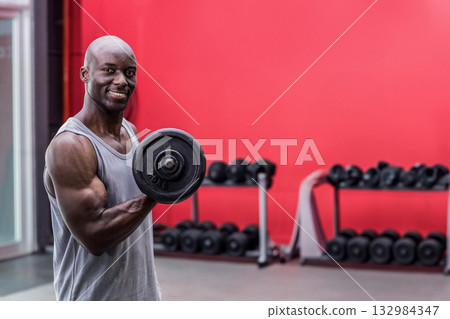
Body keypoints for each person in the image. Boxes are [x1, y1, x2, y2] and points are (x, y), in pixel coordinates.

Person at [44, 36, 161, 301]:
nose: (121, 81)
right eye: (109, 70)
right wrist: (157, 192)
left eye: (129, 72)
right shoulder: (71, 145)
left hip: (143, 297)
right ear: (85, 74)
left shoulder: (129, 132)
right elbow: (94, 236)